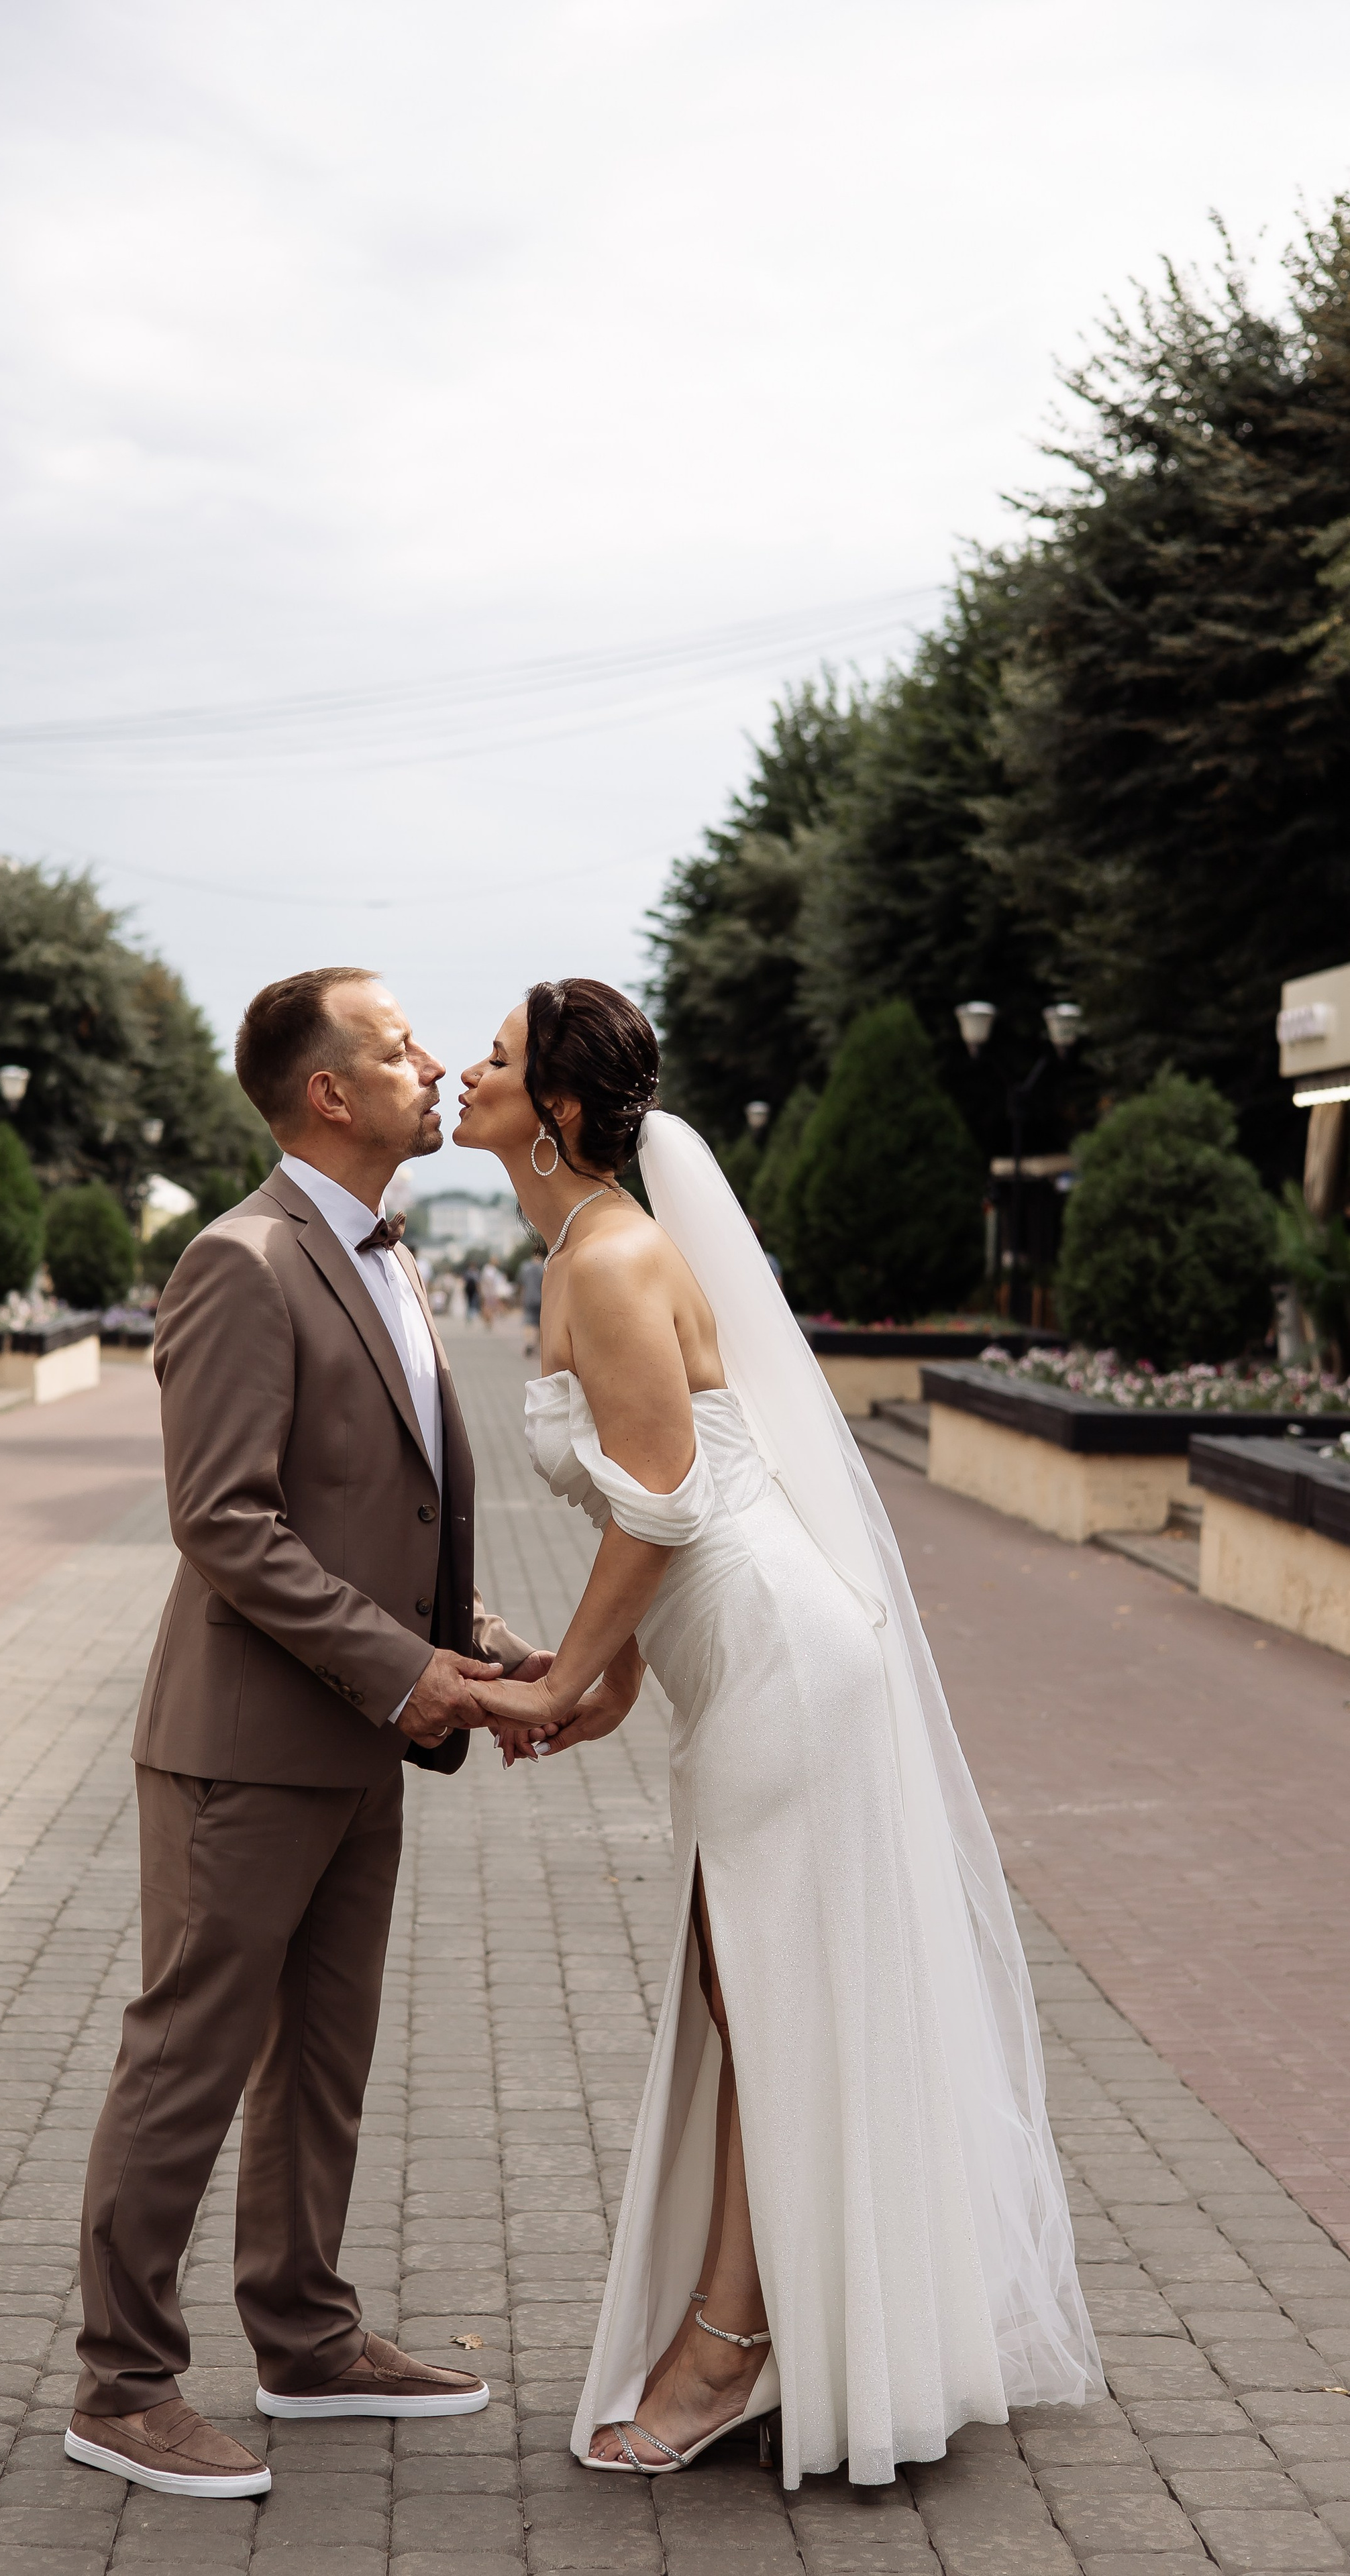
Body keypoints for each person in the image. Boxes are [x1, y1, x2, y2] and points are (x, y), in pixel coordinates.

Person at [454, 977, 1103, 2489]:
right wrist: (607, 1680)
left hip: (779, 1662)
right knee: (745, 1990)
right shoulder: (578, 1249)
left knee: (761, 1997)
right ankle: (776, 2332)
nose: (466, 1072)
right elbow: (651, 1500)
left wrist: (555, 1689)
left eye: (495, 1057)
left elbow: (669, 1507)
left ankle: (731, 2349)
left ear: (555, 1109)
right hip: (737, 1661)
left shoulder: (614, 1258)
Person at [70, 968, 550, 2502]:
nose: (434, 1065)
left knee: (321, 2060)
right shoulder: (242, 1259)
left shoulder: (380, 1256)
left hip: (353, 1735)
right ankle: (122, 2383)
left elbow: (372, 1509)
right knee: (188, 2058)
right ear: (328, 1093)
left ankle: (304, 2334)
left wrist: (478, 1642)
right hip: (242, 1744)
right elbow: (225, 1521)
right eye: (399, 1049)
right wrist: (402, 1669)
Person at [517, 1248, 545, 1356]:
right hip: (541, 1298)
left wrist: (522, 1298)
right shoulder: (545, 1267)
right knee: (539, 1323)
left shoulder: (525, 1267)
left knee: (528, 1322)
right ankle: (537, 1345)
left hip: (528, 1297)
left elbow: (522, 1284)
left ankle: (529, 1343)